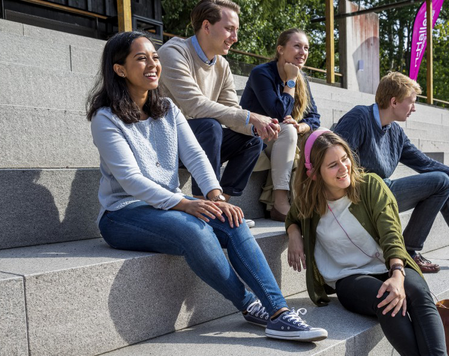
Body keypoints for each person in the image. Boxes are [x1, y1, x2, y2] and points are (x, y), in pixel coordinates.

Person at [87, 31, 327, 342]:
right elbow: (131, 181)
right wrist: (186, 203)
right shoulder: (106, 118)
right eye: (141, 58)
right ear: (120, 69)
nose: (153, 65)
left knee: (232, 218)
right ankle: (248, 304)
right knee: (194, 229)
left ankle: (279, 313)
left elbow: (197, 156)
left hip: (168, 203)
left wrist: (215, 196)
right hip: (123, 213)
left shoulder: (168, 109)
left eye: (155, 58)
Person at [334, 72, 449, 273]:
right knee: (441, 182)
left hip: (382, 193)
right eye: (411, 102)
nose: (414, 108)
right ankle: (413, 251)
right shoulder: (359, 117)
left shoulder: (395, 132)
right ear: (394, 101)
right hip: (360, 197)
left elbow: (426, 164)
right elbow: (333, 160)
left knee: (442, 184)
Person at [286, 130, 447, 355]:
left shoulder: (370, 185)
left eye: (345, 159)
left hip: (390, 264)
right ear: (314, 173)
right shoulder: (309, 201)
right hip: (349, 278)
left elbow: (391, 232)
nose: (343, 168)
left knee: (419, 294)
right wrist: (294, 234)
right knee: (387, 298)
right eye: (333, 165)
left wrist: (398, 274)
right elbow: (292, 218)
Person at [158, 0, 281, 226]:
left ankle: (221, 205)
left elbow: (232, 112)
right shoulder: (173, 52)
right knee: (209, 125)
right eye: (229, 29)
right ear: (206, 26)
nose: (235, 37)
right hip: (167, 144)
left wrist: (258, 126)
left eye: (236, 30)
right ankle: (203, 202)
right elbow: (194, 106)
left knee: (252, 139)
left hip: (198, 143)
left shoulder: (222, 65)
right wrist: (250, 116)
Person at [240, 28, 321, 220]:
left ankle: (319, 202)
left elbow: (315, 116)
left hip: (281, 139)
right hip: (254, 139)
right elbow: (278, 112)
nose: (303, 52)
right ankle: (280, 202)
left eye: (306, 48)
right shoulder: (262, 74)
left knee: (322, 135)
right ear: (280, 49)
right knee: (286, 131)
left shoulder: (303, 78)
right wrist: (291, 80)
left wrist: (301, 126)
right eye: (297, 46)